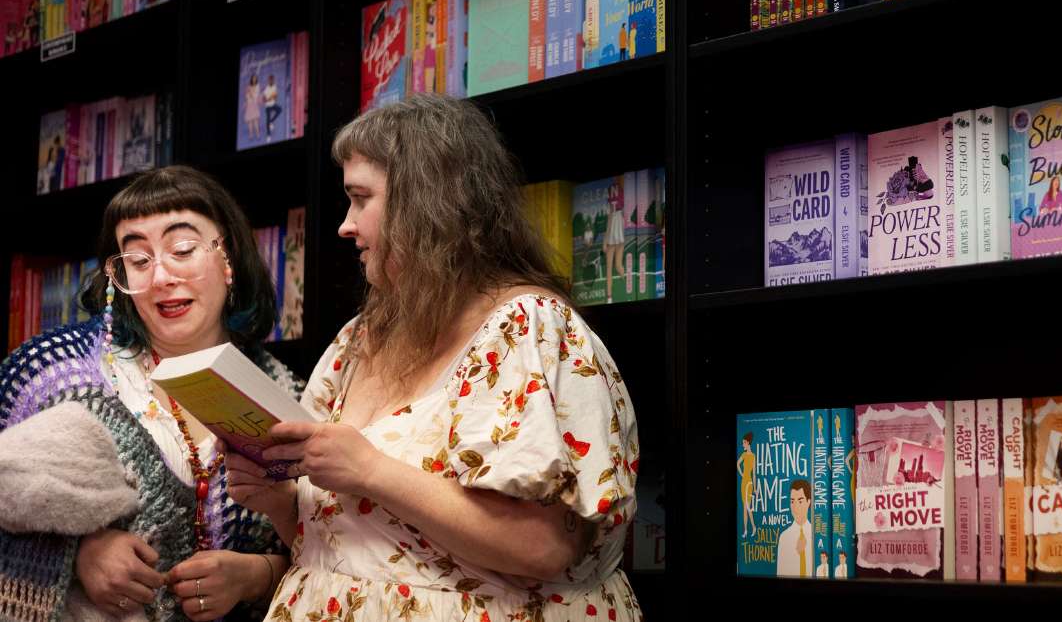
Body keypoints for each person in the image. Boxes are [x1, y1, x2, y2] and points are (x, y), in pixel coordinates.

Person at [226, 96, 642, 621]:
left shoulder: (526, 329)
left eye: (360, 199)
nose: (345, 226)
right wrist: (280, 502)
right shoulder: (362, 337)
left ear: (427, 205)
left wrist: (372, 470)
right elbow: (339, 544)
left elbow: (545, 548)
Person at [0, 166, 303, 621]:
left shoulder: (287, 396)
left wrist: (255, 576)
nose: (161, 277)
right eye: (138, 261)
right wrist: (77, 552)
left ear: (229, 258)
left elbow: (340, 551)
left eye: (182, 250)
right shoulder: (49, 373)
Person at [775, 480, 813, 578]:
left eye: (800, 501)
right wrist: (796, 553)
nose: (795, 507)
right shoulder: (784, 537)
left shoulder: (816, 534)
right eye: (792, 501)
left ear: (808, 502)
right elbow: (780, 573)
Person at [603, 178, 627, 303]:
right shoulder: (622, 204)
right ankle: (630, 285)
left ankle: (609, 297)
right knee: (618, 266)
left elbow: (609, 222)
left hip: (612, 236)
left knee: (609, 268)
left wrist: (604, 241)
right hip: (620, 235)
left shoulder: (611, 204)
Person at [738, 432, 756, 538]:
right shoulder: (743, 455)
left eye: (744, 443)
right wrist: (741, 474)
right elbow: (737, 464)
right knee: (745, 508)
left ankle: (753, 526)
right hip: (743, 483)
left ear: (748, 443)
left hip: (749, 483)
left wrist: (755, 488)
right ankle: (746, 530)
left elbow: (754, 473)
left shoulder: (753, 456)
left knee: (747, 507)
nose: (743, 445)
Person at [264, 74, 282, 142]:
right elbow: (265, 100)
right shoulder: (266, 89)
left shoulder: (274, 86)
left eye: (272, 80)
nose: (271, 81)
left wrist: (272, 97)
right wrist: (270, 98)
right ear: (268, 81)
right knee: (267, 121)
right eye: (270, 80)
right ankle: (268, 135)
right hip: (268, 106)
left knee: (280, 110)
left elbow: (275, 96)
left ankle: (271, 121)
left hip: (273, 104)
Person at [245, 72, 262, 141]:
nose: (254, 80)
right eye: (253, 79)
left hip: (254, 105)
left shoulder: (257, 86)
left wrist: (250, 92)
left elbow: (255, 96)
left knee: (255, 121)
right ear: (251, 80)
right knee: (250, 121)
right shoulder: (248, 86)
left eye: (255, 79)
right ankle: (251, 135)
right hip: (249, 105)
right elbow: (246, 96)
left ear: (256, 80)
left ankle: (258, 135)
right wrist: (248, 94)